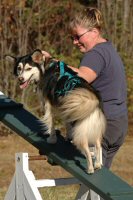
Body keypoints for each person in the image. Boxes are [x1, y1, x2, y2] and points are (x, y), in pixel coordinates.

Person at [42, 7, 128, 170]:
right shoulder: (108, 49)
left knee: (94, 182)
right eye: (72, 37)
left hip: (102, 125)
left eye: (78, 36)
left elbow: (80, 79)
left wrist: (52, 64)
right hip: (118, 124)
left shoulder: (94, 54)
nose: (75, 41)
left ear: (94, 32)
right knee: (97, 183)